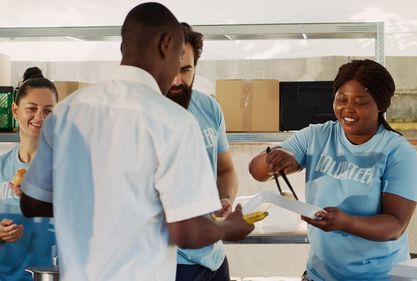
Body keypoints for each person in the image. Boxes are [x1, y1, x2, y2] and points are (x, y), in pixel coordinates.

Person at [19, 3, 254, 281]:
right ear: (166, 45)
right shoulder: (173, 121)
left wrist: (98, 203)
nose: (176, 76)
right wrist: (230, 228)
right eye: (178, 58)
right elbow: (188, 233)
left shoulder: (68, 111)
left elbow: (31, 203)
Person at [249, 59, 417, 281]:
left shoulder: (398, 153)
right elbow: (256, 171)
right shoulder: (317, 136)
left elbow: (395, 225)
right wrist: (275, 159)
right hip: (319, 275)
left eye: (360, 102)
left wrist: (345, 222)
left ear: (380, 105)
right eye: (341, 99)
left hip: (379, 277)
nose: (348, 109)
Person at [165, 23, 238, 281]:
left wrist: (226, 199)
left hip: (214, 258)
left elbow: (226, 168)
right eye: (172, 70)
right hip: (171, 263)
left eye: (186, 70)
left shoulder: (209, 108)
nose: (177, 80)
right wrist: (231, 228)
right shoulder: (141, 118)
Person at [0, 67, 58, 281]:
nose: (39, 117)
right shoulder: (1, 167)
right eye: (31, 108)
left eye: (48, 110)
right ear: (15, 111)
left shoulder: (67, 170)